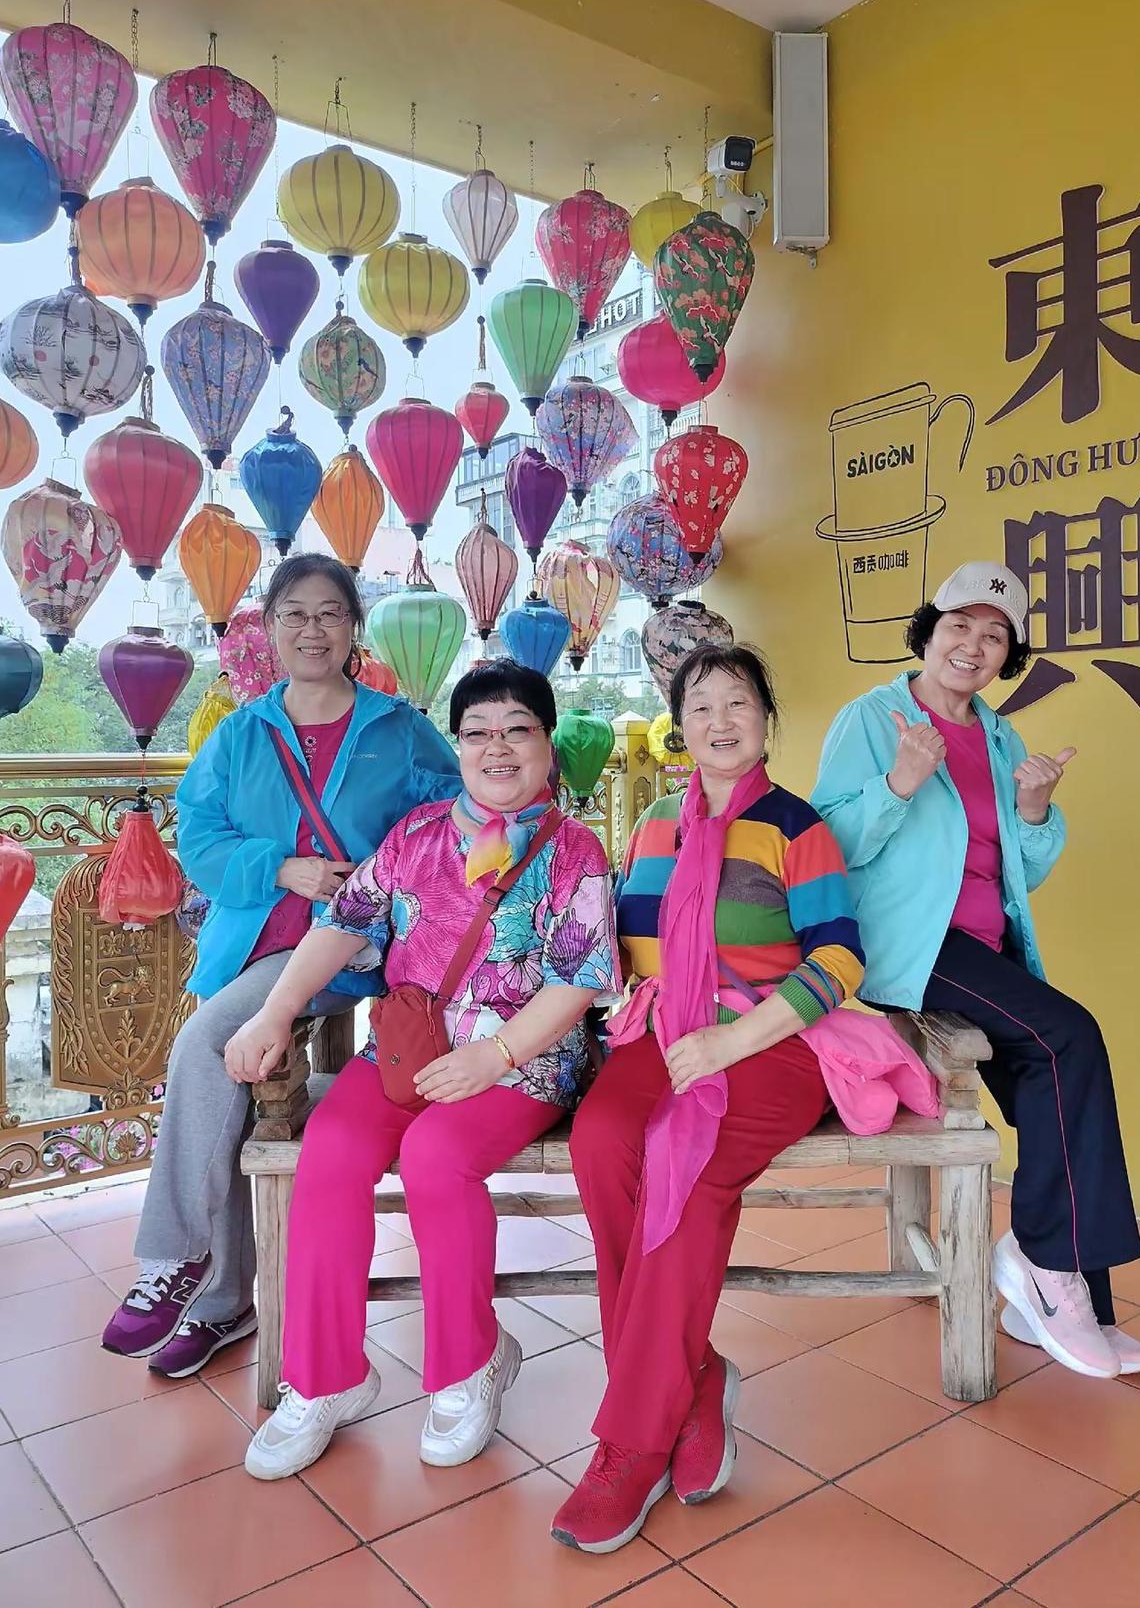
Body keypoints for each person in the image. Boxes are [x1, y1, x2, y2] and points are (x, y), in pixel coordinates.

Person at [239, 659, 621, 1478]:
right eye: (477, 732)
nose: (497, 748)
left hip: (522, 1062)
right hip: (409, 1051)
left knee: (437, 1157)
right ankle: (327, 1377)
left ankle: (470, 1362)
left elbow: (580, 980)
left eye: (517, 730)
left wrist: (496, 1054)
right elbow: (342, 925)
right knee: (331, 1151)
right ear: (458, 746)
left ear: (548, 744)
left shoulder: (576, 852)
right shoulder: (416, 834)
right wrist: (275, 1011)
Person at [101, 555, 460, 1377]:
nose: (312, 630)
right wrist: (282, 868)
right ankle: (224, 1302)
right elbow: (199, 836)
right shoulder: (240, 733)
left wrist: (376, 882)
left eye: (330, 613)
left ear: (353, 627)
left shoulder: (399, 730)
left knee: (204, 1046)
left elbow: (449, 829)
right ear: (268, 628)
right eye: (294, 613)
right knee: (226, 1082)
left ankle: (175, 1257)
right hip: (250, 944)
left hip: (352, 950)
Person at [552, 644, 870, 1554]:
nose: (720, 722)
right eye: (700, 706)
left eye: (738, 703)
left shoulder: (796, 828)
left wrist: (733, 1039)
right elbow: (617, 944)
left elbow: (841, 959)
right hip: (664, 1031)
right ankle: (691, 1379)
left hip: (769, 1042)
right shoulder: (655, 823)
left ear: (766, 718)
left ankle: (632, 1443)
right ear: (678, 725)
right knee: (602, 1142)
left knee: (683, 1177)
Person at [813, 560, 1140, 1383]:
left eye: (995, 635)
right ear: (928, 633)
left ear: (1008, 655)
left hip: (986, 948)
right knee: (1072, 1038)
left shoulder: (1000, 737)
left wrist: (1034, 811)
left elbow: (1021, 869)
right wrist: (900, 782)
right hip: (914, 948)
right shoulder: (873, 718)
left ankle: (1061, 1293)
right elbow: (826, 847)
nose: (973, 644)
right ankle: (1046, 1269)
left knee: (1055, 1080)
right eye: (959, 625)